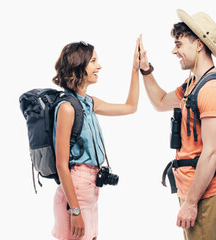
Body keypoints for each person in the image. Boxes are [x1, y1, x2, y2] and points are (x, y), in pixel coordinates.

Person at [137, 9, 216, 239]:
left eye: (178, 44)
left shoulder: (212, 89)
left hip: (204, 195)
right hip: (191, 191)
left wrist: (190, 203)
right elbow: (160, 102)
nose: (174, 50)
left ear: (198, 45)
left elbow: (211, 152)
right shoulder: (192, 84)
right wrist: (145, 68)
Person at [51, 38, 141, 240]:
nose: (99, 66)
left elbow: (130, 107)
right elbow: (61, 165)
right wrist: (75, 211)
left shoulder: (88, 103)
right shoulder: (66, 108)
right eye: (93, 61)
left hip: (90, 189)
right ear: (78, 66)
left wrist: (135, 69)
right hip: (75, 191)